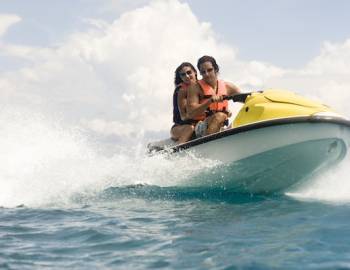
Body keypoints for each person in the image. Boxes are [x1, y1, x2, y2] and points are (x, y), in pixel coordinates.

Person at [187, 55, 241, 137]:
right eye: (203, 72)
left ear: (216, 69)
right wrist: (209, 101)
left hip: (222, 126)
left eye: (209, 70)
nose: (207, 74)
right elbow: (191, 113)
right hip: (200, 127)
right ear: (200, 73)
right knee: (220, 116)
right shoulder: (195, 88)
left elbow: (246, 98)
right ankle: (206, 146)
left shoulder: (228, 86)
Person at [170, 62, 198, 143]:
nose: (187, 76)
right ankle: (176, 154)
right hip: (179, 128)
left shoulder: (203, 86)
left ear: (195, 72)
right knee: (189, 128)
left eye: (189, 72)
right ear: (181, 78)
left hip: (197, 125)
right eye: (183, 75)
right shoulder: (180, 90)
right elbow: (185, 115)